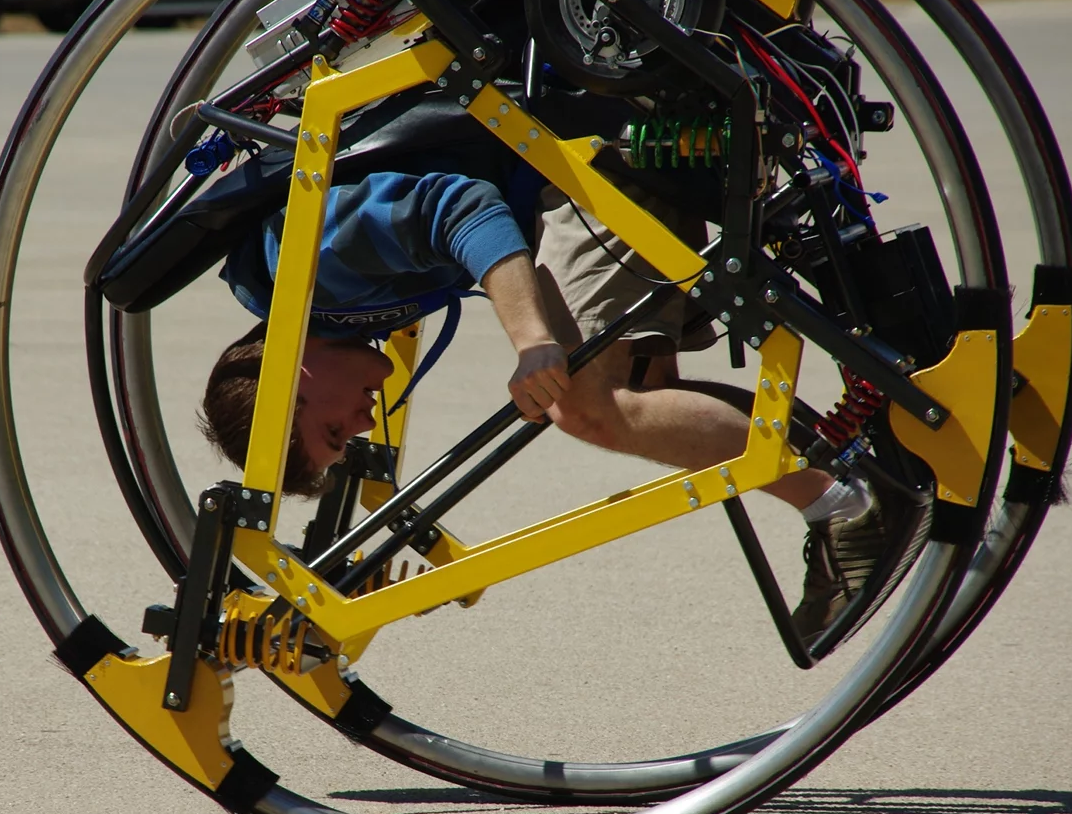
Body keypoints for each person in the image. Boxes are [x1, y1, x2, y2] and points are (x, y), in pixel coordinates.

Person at [200, 166, 891, 641]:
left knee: (589, 406)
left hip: (581, 158)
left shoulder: (302, 259)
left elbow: (461, 204)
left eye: (332, 428)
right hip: (579, 160)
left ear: (293, 380)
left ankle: (848, 507)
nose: (360, 423)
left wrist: (532, 339)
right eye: (348, 439)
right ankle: (855, 472)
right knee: (646, 398)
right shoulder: (322, 301)